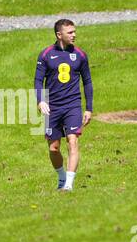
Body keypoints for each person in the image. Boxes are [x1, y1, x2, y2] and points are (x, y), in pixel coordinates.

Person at [34, 18, 93, 191]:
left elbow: (87, 82)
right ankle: (61, 177)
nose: (74, 35)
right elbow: (38, 80)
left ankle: (68, 183)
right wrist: (40, 100)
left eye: (74, 31)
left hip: (73, 105)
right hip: (52, 107)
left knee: (72, 141)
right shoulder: (45, 55)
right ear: (59, 35)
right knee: (53, 148)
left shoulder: (80, 55)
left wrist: (89, 108)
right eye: (70, 32)